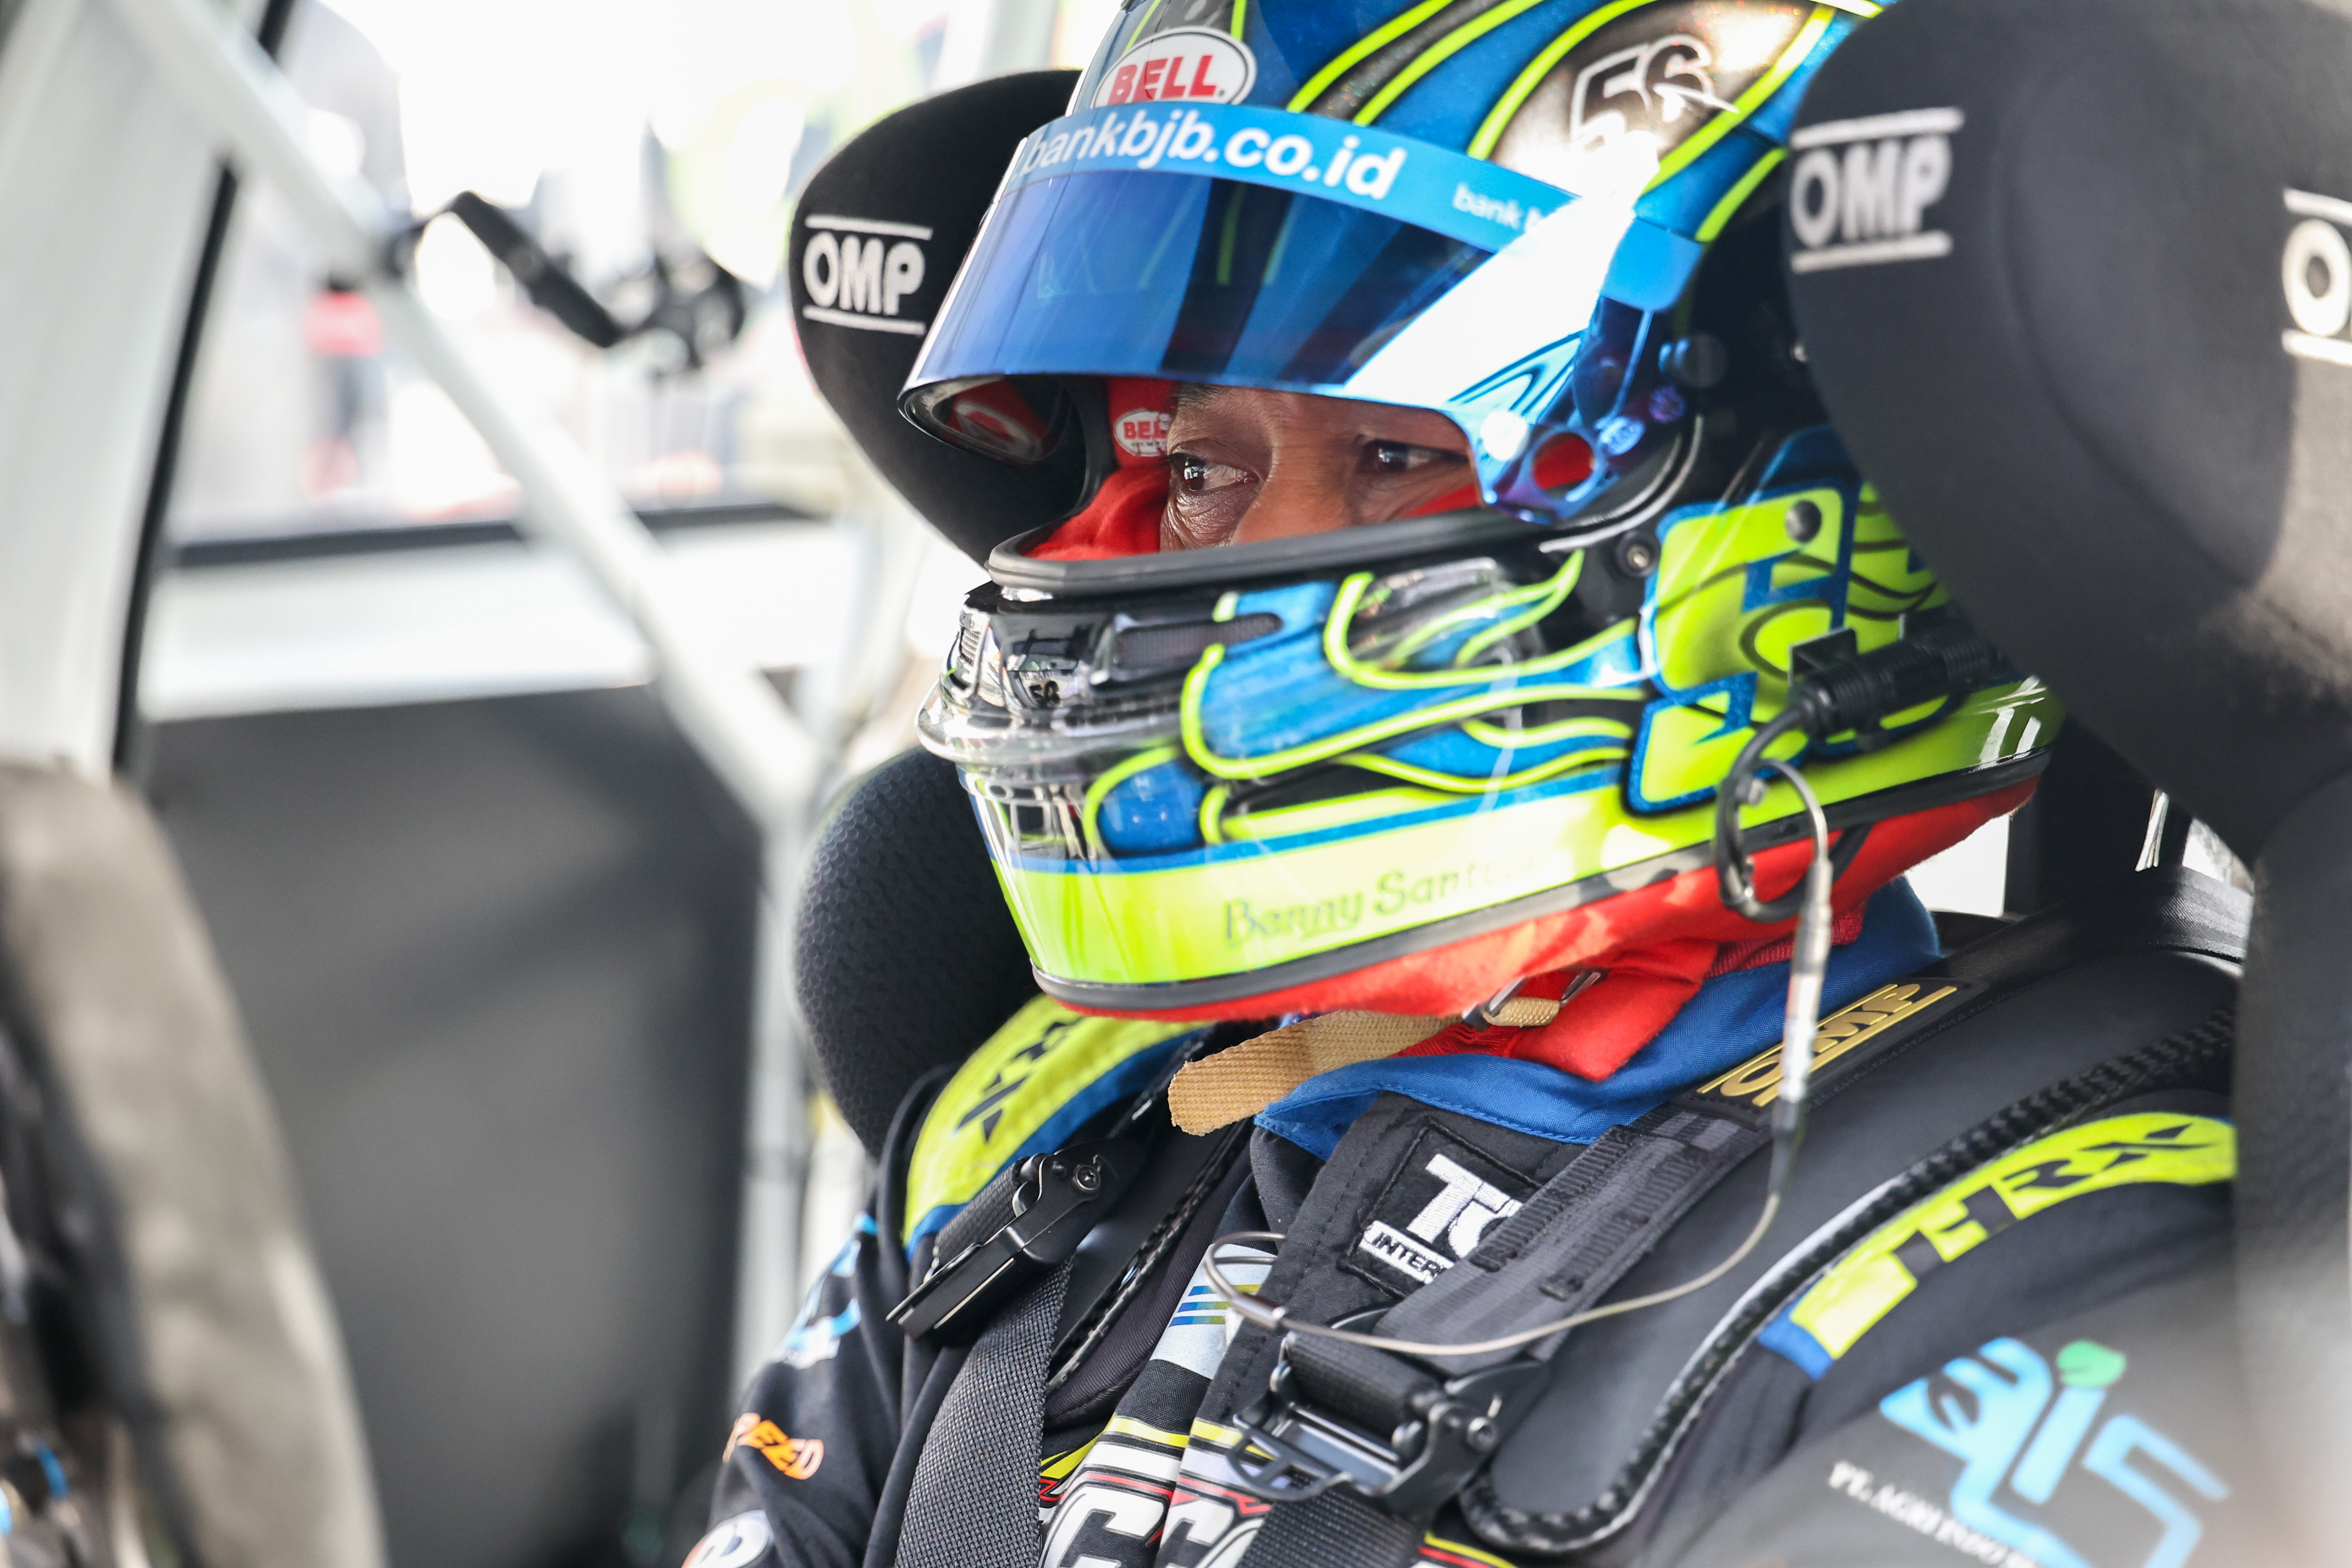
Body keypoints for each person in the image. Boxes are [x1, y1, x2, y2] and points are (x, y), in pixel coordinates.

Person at [686, 5, 2267, 1565]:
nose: (1236, 572)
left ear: (1792, 511)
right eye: (1201, 470)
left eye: (1396, 454)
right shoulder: (1028, 1119)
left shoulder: (2046, 1277)